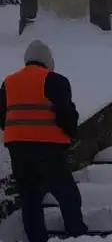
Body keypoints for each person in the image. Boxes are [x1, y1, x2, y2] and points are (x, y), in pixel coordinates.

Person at [0, 40, 88, 242]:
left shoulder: (8, 82)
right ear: (48, 61)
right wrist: (71, 132)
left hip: (18, 147)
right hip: (48, 146)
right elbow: (66, 114)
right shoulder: (54, 80)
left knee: (30, 195)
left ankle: (37, 238)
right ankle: (77, 233)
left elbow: (2, 115)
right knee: (66, 192)